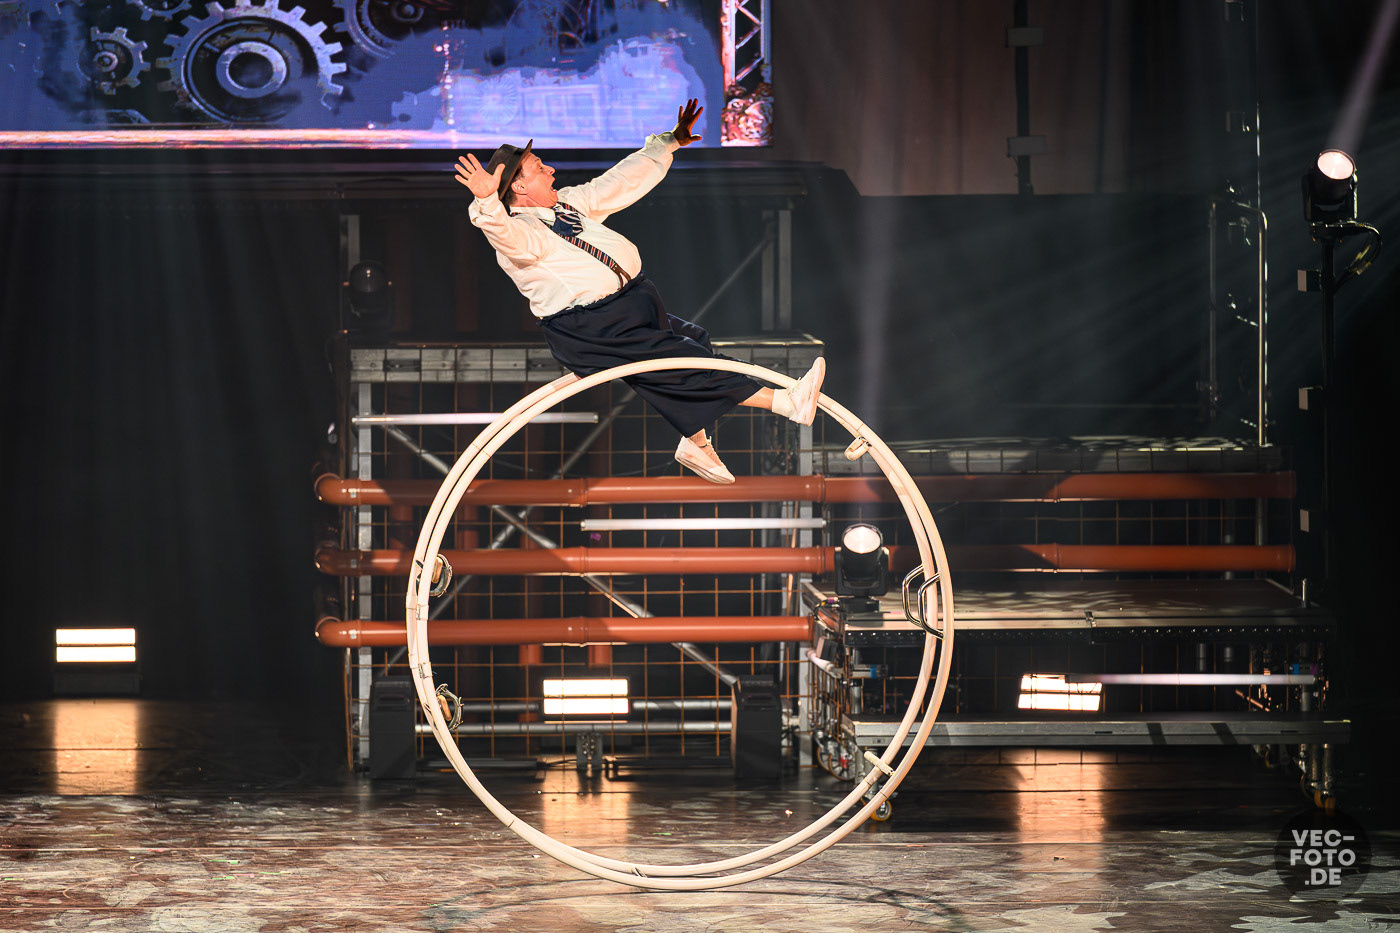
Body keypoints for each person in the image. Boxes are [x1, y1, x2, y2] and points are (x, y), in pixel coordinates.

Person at [453, 98, 825, 484]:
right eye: (539, 167)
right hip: (590, 325)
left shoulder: (566, 205)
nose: (550, 169)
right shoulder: (520, 231)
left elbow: (620, 181)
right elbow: (501, 233)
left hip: (630, 302)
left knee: (691, 341)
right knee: (678, 360)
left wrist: (669, 142)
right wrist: (486, 200)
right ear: (519, 185)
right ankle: (785, 403)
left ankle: (695, 441)